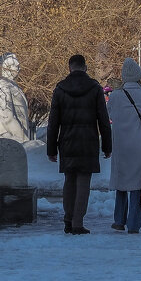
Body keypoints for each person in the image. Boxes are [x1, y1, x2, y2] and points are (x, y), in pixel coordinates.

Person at [47, 54, 111, 235]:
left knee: (69, 180)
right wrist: (107, 146)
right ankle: (77, 222)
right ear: (85, 67)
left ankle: (68, 219)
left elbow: (53, 122)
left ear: (70, 68)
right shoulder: (95, 89)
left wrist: (51, 149)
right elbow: (103, 121)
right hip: (88, 141)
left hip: (67, 142)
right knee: (83, 182)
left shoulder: (60, 89)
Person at [106, 58, 141, 233]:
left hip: (121, 147)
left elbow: (109, 114)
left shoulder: (115, 96)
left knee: (121, 184)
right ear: (139, 76)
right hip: (140, 147)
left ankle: (119, 220)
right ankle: (134, 224)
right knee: (136, 186)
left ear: (124, 76)